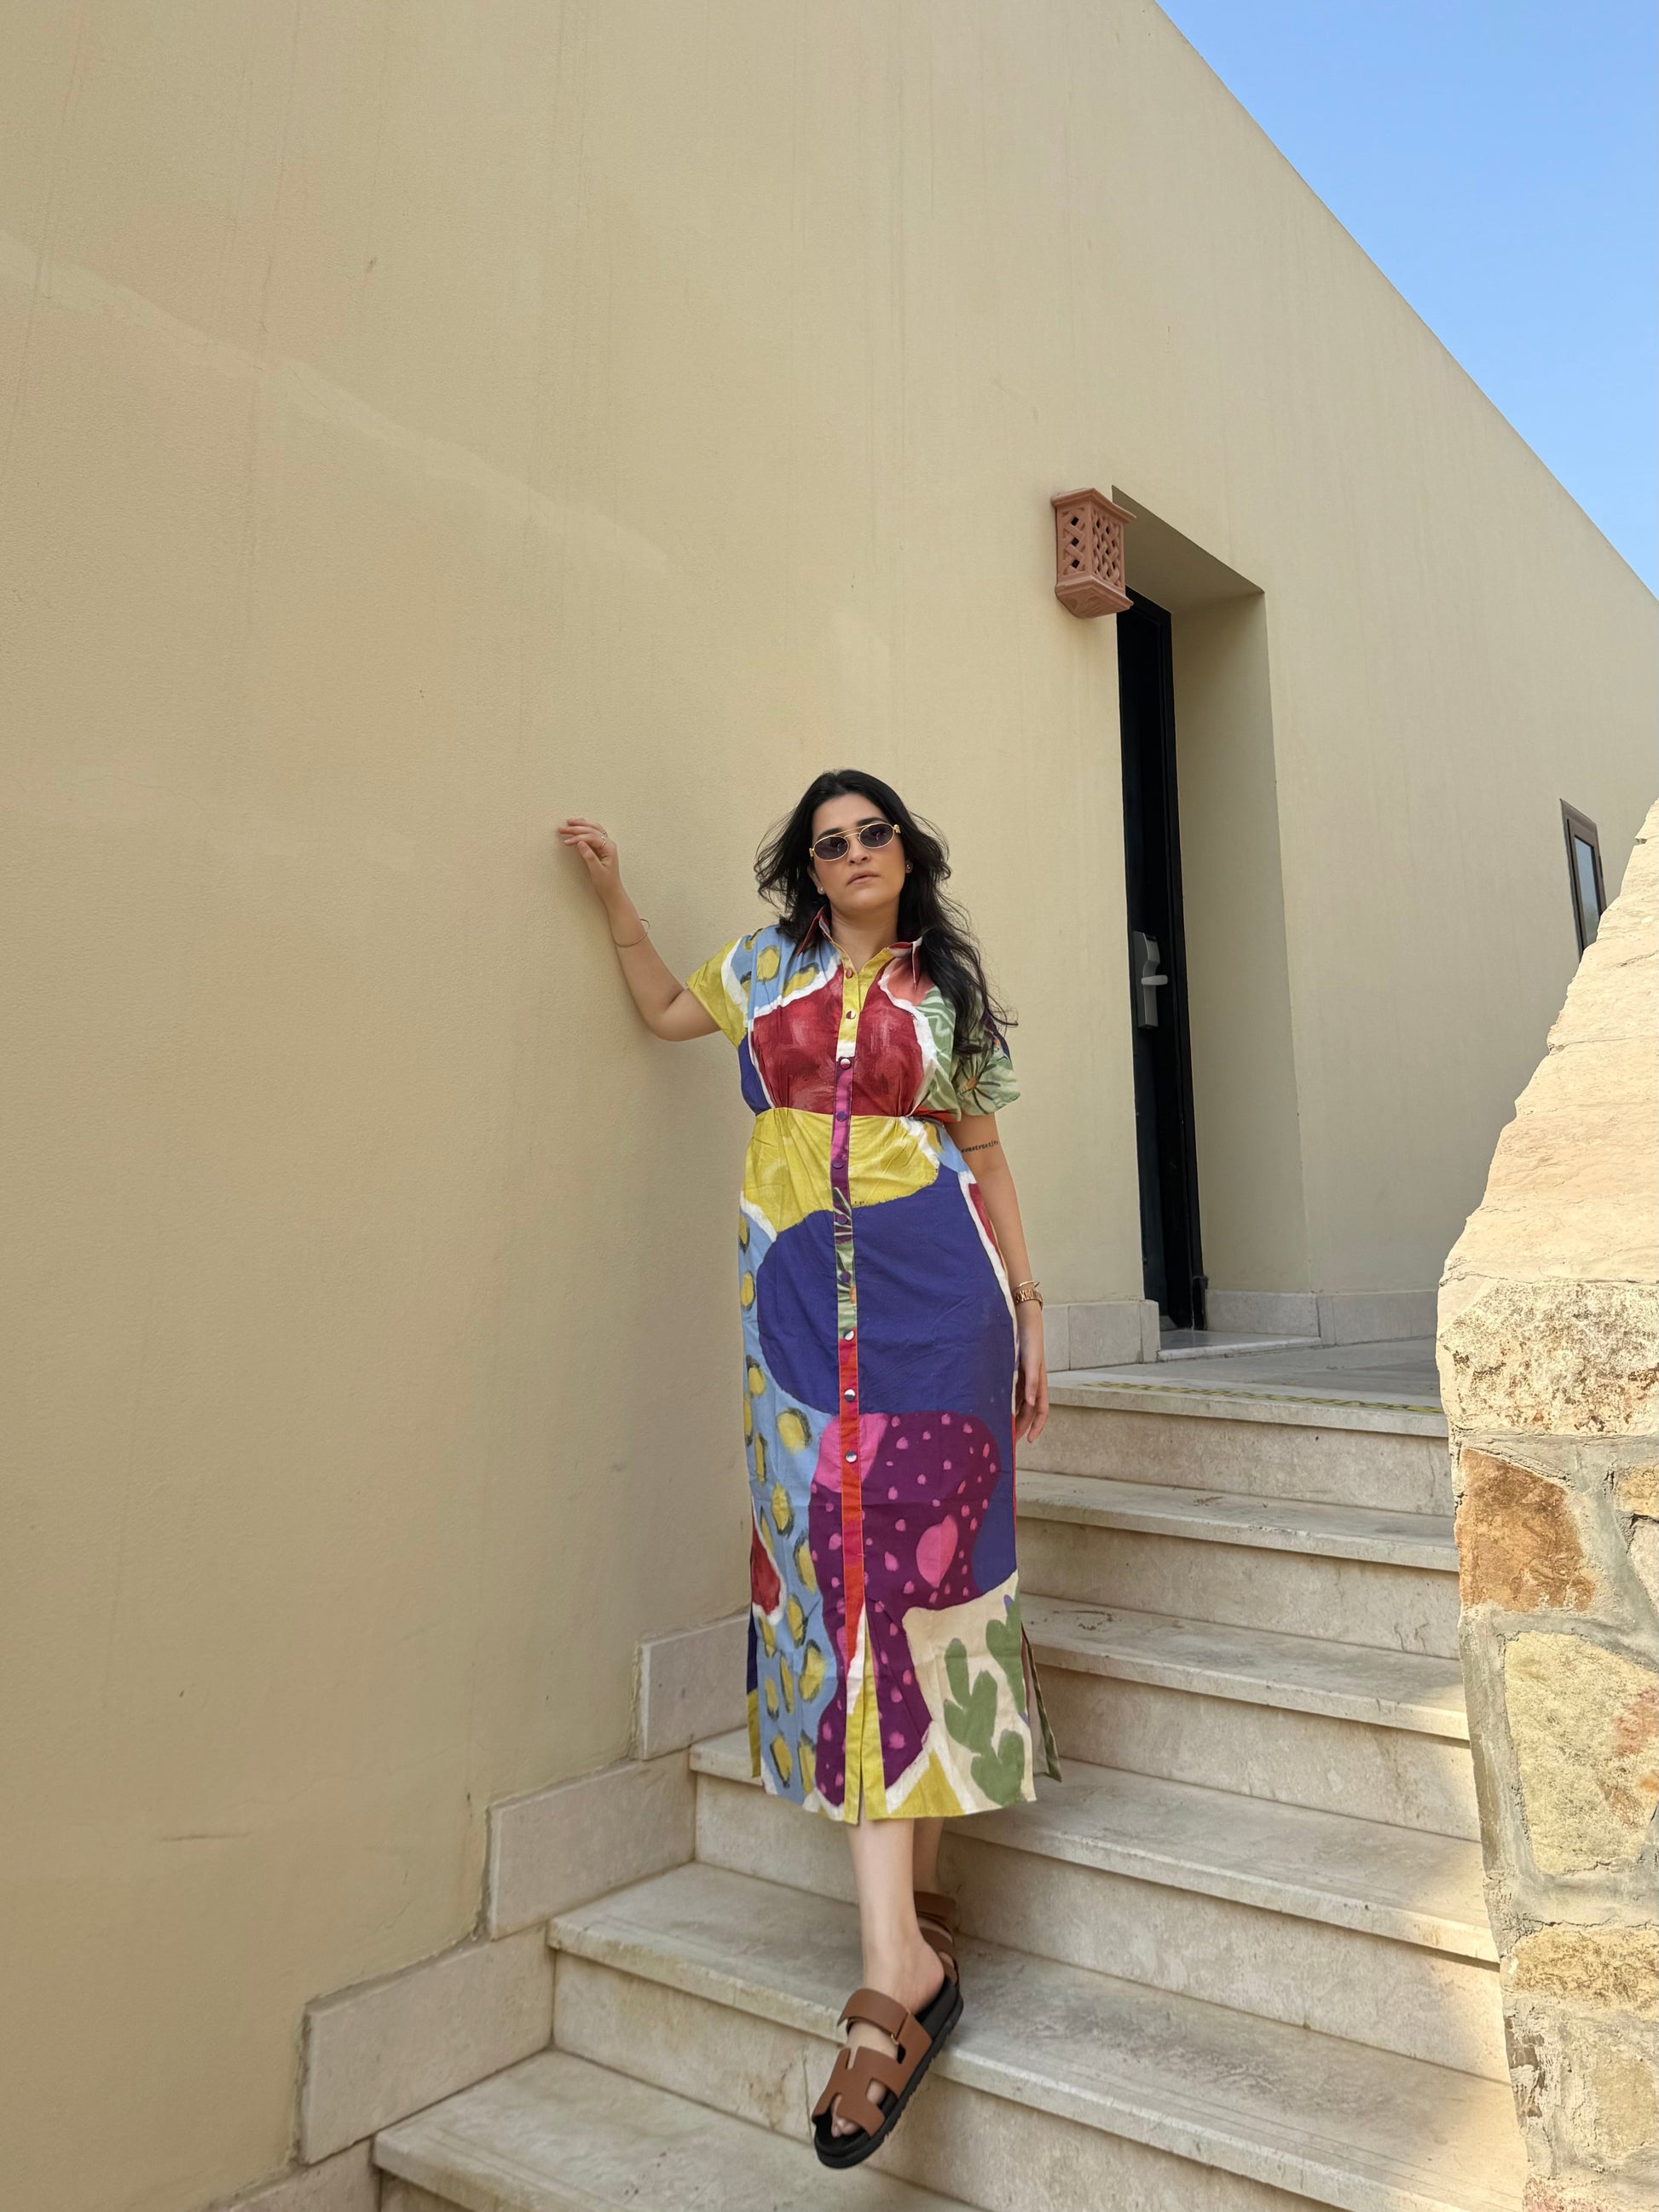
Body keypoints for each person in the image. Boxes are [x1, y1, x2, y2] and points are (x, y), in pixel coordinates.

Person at [559, 770, 1058, 2169]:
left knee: (929, 1589)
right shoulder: (759, 968)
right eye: (827, 842)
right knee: (843, 1595)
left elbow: (986, 1154)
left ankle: (898, 1956)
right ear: (808, 867)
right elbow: (664, 1013)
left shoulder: (944, 991)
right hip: (795, 1324)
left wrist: (1029, 1310)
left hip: (937, 1308)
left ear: (905, 851)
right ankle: (910, 1940)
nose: (851, 853)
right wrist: (614, 900)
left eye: (870, 832)